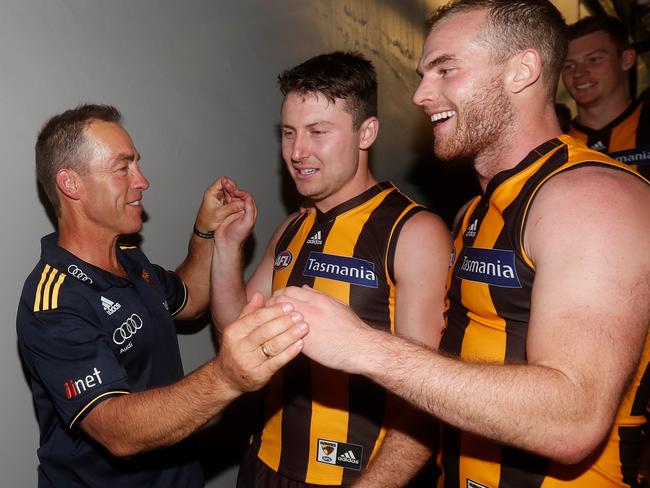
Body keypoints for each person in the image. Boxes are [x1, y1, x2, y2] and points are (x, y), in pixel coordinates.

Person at [271, 1, 650, 487]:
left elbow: (574, 419)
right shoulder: (473, 212)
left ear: (523, 70)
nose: (421, 94)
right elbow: (443, 384)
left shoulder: (594, 196)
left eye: (445, 69)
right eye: (424, 74)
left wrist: (364, 347)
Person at [16, 104, 308, 487]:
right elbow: (116, 430)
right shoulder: (53, 302)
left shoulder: (129, 260)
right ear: (71, 184)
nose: (142, 180)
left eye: (137, 164)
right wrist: (227, 376)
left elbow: (189, 299)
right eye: (123, 168)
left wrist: (206, 232)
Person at [210, 52, 452, 487]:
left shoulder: (414, 232)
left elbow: (427, 394)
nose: (297, 152)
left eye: (318, 132)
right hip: (263, 464)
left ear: (367, 133)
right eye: (288, 133)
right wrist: (226, 248)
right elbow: (236, 330)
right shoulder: (293, 226)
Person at [562, 15, 650, 178]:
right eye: (568, 66)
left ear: (626, 59)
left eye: (594, 59)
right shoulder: (554, 144)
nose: (579, 72)